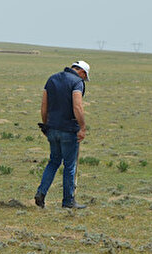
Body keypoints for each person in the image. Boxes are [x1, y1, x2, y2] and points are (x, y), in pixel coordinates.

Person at [34, 61, 90, 209]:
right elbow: (77, 106)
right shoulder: (77, 82)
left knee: (53, 162)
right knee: (69, 166)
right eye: (85, 77)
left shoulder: (52, 78)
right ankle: (68, 201)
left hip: (52, 127)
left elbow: (44, 105)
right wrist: (83, 127)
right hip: (69, 130)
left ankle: (41, 192)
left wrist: (46, 125)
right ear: (82, 73)